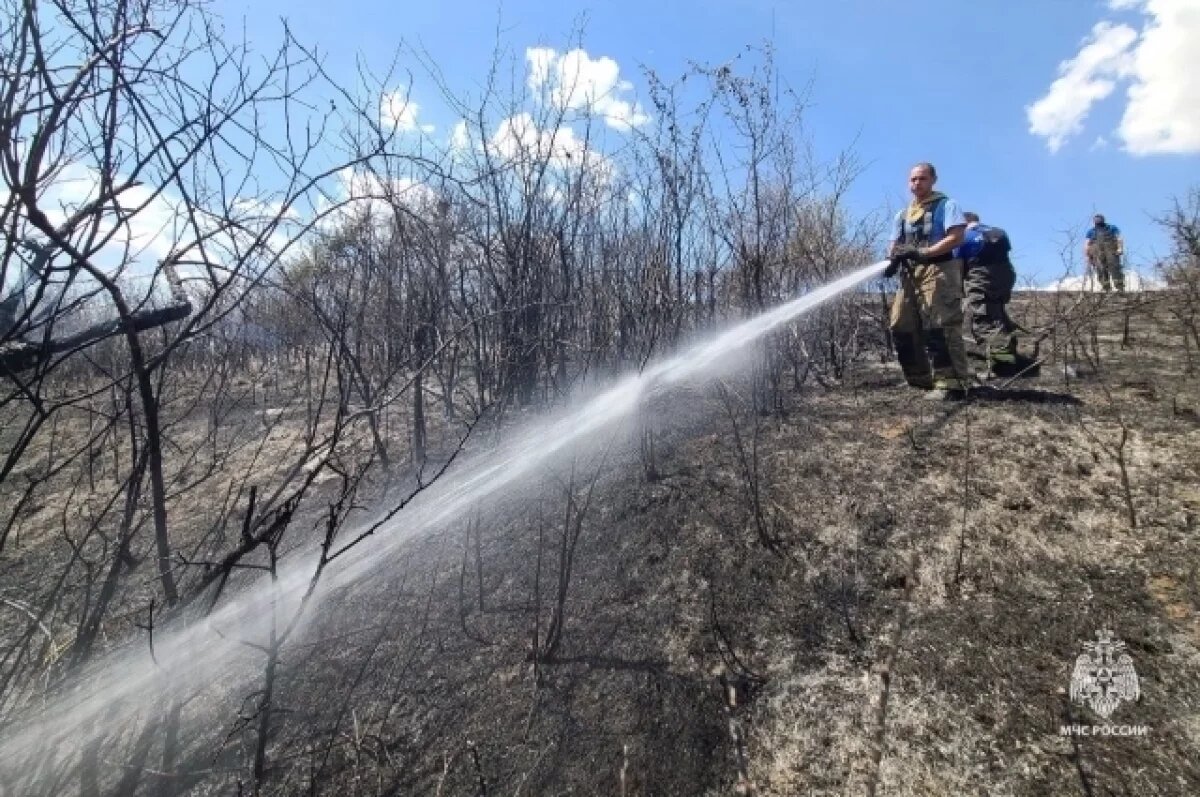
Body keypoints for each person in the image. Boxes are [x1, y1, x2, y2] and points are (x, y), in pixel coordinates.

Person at [884, 162, 971, 400]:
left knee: (940, 323)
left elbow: (956, 237)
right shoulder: (902, 215)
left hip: (939, 269)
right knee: (901, 323)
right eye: (912, 179)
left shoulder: (947, 205)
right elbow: (894, 243)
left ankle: (952, 382)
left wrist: (924, 253)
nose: (916, 183)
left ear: (933, 180)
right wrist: (892, 261)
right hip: (911, 274)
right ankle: (919, 378)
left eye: (922, 178)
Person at [957, 212, 1030, 375]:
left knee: (984, 320)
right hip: (1005, 275)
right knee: (998, 316)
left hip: (981, 277)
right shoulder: (997, 232)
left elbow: (958, 267)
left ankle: (1004, 367)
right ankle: (1012, 359)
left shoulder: (964, 236)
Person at [1084, 214, 1125, 293]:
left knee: (1115, 268)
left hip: (1111, 250)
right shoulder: (1091, 231)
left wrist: (1120, 248)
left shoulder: (1111, 228)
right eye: (1096, 219)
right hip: (1097, 253)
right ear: (1094, 221)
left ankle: (1120, 288)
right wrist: (1088, 256)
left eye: (1099, 219)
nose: (1097, 220)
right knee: (1101, 269)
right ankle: (1106, 288)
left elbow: (1119, 238)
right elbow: (1086, 244)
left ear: (1103, 220)